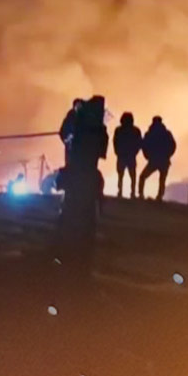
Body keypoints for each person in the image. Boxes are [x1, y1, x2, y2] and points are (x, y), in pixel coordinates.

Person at [56, 95, 109, 269]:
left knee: (73, 210)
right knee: (85, 215)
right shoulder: (96, 126)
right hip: (87, 173)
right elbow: (102, 149)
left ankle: (68, 253)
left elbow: (65, 134)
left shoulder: (81, 121)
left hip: (78, 171)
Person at [139, 116, 175, 201]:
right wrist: (168, 155)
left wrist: (147, 156)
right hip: (163, 160)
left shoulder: (150, 133)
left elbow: (144, 145)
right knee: (162, 179)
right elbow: (173, 145)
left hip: (154, 159)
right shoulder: (166, 133)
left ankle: (141, 194)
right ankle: (159, 196)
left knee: (143, 177)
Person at [113, 112, 142, 198]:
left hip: (122, 155)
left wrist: (117, 151)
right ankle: (132, 193)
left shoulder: (119, 130)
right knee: (132, 175)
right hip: (130, 156)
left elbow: (115, 142)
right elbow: (139, 143)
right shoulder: (136, 130)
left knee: (121, 175)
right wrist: (135, 152)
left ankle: (120, 192)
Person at [59, 98, 84, 164]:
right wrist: (68, 138)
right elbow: (63, 131)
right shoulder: (71, 115)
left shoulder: (80, 117)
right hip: (73, 144)